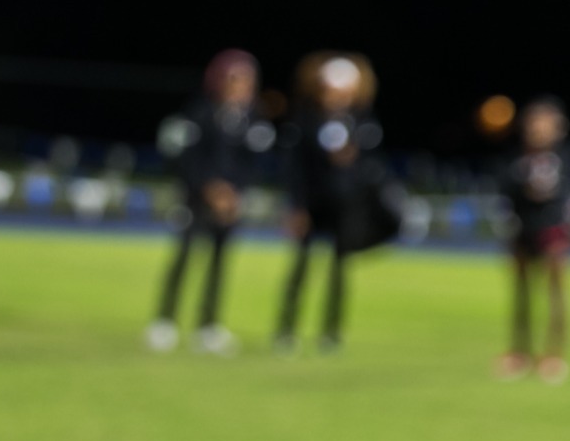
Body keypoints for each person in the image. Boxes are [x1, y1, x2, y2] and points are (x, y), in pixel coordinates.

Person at [148, 50, 272, 355]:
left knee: (220, 264)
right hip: (196, 199)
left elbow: (254, 164)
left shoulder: (252, 119)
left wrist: (235, 192)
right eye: (235, 79)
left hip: (231, 204)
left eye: (246, 80)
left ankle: (208, 326)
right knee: (185, 257)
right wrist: (209, 187)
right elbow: (186, 156)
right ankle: (165, 321)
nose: (241, 86)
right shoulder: (201, 112)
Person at [276, 52, 396, 354]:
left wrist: (353, 163)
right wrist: (297, 205)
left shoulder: (363, 121)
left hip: (346, 205)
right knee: (301, 267)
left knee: (339, 269)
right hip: (313, 202)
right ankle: (286, 329)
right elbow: (295, 166)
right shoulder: (306, 119)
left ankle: (330, 332)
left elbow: (372, 166)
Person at [497, 97, 570, 384]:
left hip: (554, 230)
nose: (539, 129)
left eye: (546, 124)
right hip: (523, 229)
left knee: (556, 294)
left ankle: (554, 354)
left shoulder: (568, 156)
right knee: (522, 294)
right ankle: (520, 352)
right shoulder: (517, 157)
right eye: (535, 123)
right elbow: (507, 192)